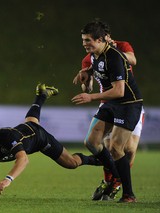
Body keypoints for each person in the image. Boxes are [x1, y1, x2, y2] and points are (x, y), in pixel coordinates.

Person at [0, 83, 101, 196]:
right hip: (25, 130)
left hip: (38, 138)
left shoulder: (5, 135)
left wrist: (8, 179)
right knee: (31, 121)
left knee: (72, 163)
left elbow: (23, 159)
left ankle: (99, 160)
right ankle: (41, 95)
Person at [72, 20, 143, 203]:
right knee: (91, 142)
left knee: (117, 148)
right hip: (111, 104)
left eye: (88, 40)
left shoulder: (115, 56)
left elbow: (119, 91)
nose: (84, 44)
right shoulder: (95, 54)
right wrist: (87, 72)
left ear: (101, 39)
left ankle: (128, 194)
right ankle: (114, 173)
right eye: (83, 40)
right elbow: (98, 68)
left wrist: (91, 97)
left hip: (127, 103)